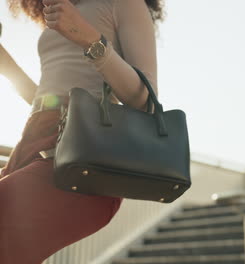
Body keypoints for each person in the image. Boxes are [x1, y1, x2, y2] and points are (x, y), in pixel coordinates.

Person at [0, 0, 163, 262]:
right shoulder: (62, 9)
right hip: (33, 139)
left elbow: (146, 101)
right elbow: (48, 99)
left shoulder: (124, 4)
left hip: (86, 155)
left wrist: (88, 38)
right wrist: (5, 64)